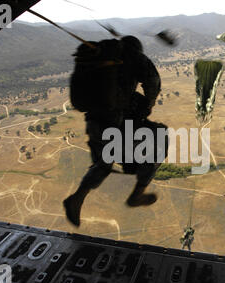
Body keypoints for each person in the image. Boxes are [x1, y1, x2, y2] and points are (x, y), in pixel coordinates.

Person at [64, 36, 168, 227]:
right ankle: (138, 194)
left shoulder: (99, 58)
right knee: (160, 138)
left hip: (94, 121)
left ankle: (77, 198)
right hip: (116, 121)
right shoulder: (134, 56)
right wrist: (149, 104)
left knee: (103, 162)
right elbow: (153, 81)